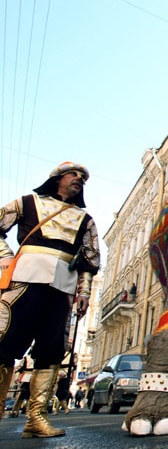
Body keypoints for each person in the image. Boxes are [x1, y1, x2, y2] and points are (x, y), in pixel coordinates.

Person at [0, 162, 100, 437]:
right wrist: (5, 257)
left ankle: (36, 419)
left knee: (51, 352)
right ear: (56, 178)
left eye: (83, 178)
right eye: (73, 174)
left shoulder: (85, 219)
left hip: (62, 289)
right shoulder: (27, 202)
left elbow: (90, 261)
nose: (79, 179)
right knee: (4, 343)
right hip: (22, 281)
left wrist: (84, 293)